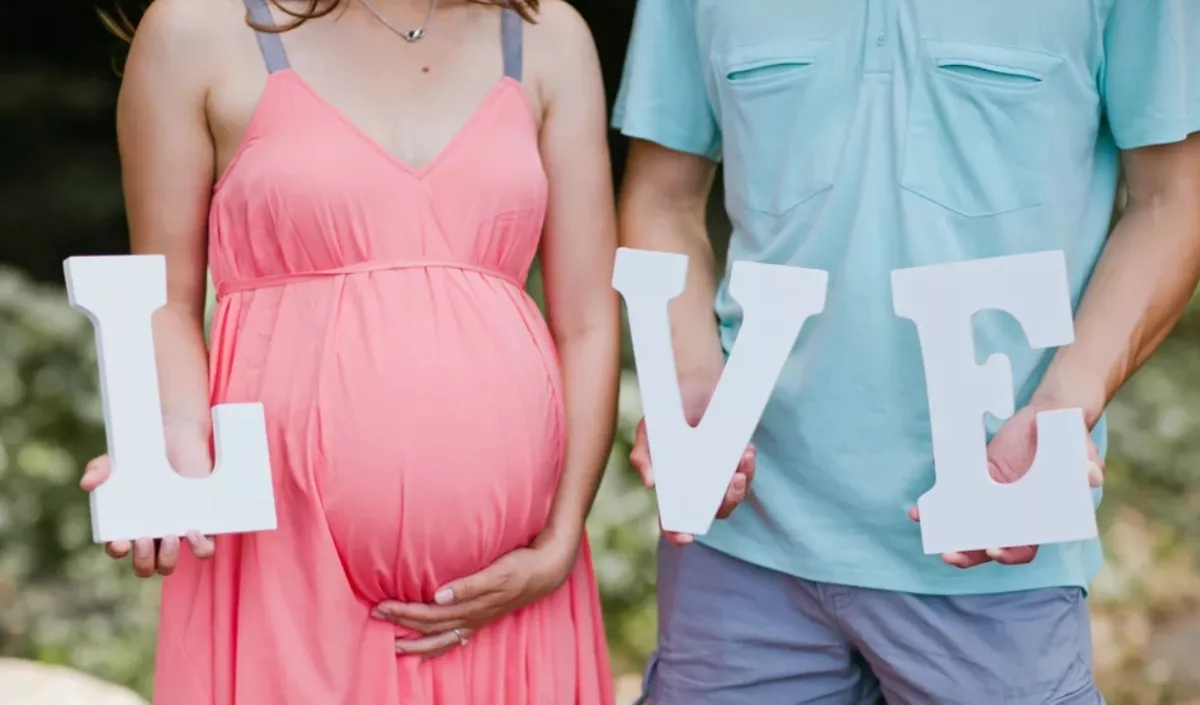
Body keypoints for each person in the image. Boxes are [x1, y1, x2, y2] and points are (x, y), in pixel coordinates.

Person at [615, 1, 1200, 703]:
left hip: (997, 552)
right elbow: (663, 197)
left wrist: (1064, 405)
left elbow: (1172, 200)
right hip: (739, 558)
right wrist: (690, 374)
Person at [82, 0, 619, 703]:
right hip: (284, 571)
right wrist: (175, 434)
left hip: (515, 596)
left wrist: (559, 541)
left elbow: (588, 322)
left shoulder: (548, 34)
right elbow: (162, 298)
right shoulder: (195, 28)